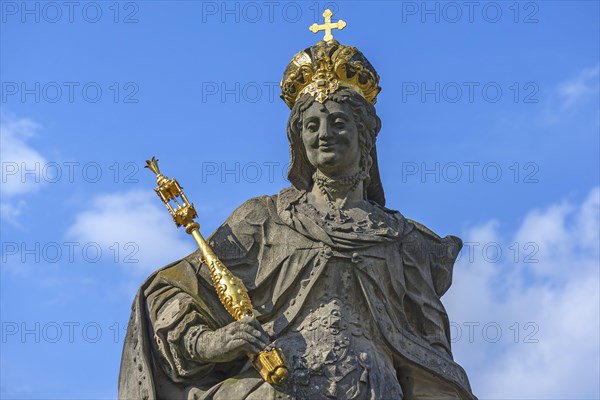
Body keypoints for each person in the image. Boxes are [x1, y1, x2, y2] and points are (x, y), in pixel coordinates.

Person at [119, 37, 476, 400]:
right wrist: (213, 342)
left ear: (364, 135)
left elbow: (430, 354)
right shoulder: (263, 219)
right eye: (312, 125)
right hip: (277, 387)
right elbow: (167, 293)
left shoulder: (403, 241)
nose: (324, 134)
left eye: (338, 122)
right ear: (298, 139)